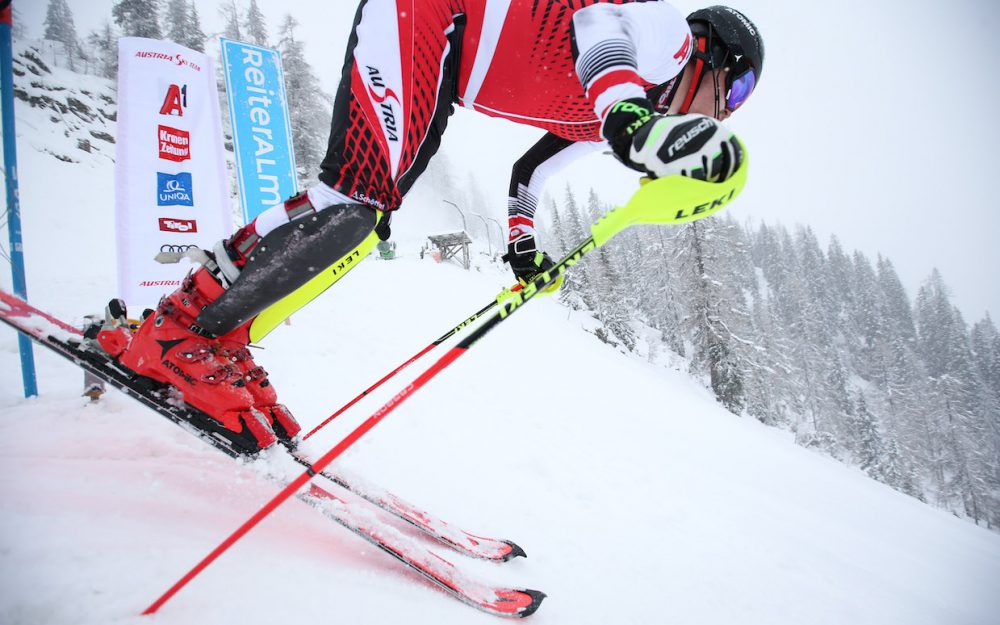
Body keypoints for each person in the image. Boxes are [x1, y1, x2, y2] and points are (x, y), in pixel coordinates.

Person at [97, 1, 765, 452]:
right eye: (734, 93)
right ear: (710, 56)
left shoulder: (606, 113)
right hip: (431, 15)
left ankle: (217, 335)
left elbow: (530, 172)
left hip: (444, 64)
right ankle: (183, 328)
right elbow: (597, 29)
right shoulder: (664, 37)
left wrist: (524, 245)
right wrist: (629, 119)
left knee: (364, 219)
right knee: (355, 198)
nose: (728, 113)